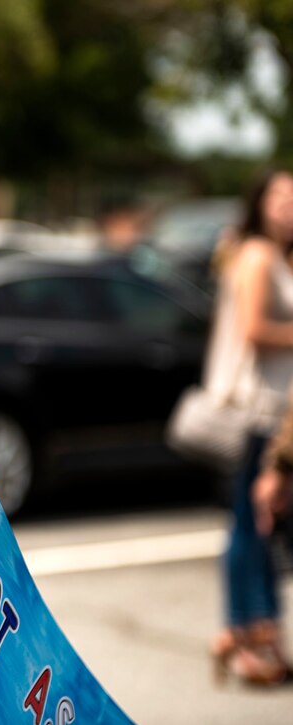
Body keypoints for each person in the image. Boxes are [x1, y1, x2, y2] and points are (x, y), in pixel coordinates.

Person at [207, 168, 293, 685]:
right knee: (252, 523)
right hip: (257, 412)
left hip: (272, 413)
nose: (288, 206)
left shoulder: (272, 256)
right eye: (280, 196)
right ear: (259, 202)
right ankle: (246, 636)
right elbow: (254, 330)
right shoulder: (259, 255)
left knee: (255, 523)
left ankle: (250, 635)